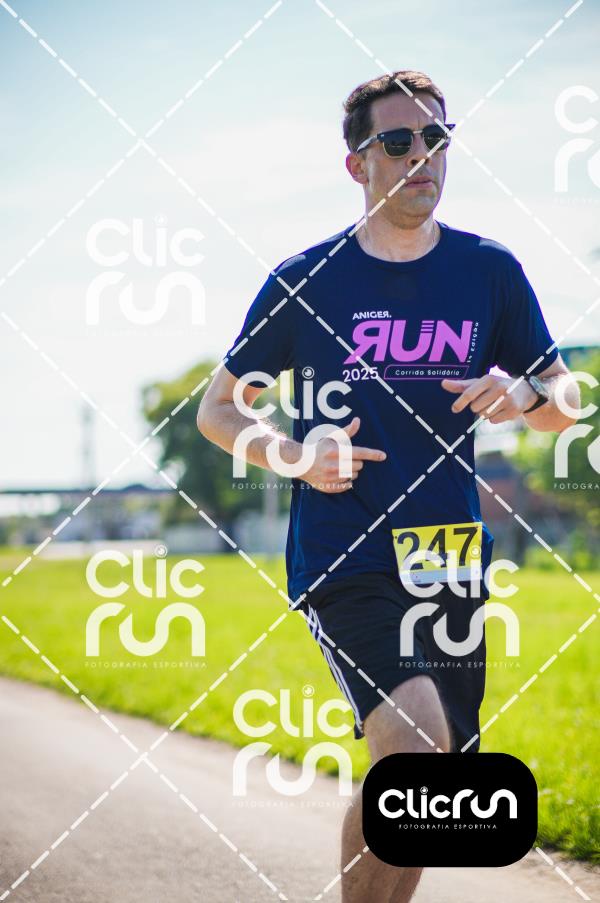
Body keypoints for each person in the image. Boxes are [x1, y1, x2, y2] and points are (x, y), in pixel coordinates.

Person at [197, 70, 578, 902]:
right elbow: (218, 409)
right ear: (357, 164)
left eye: (436, 138)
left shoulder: (489, 270)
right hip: (348, 552)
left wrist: (522, 395)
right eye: (398, 141)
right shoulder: (308, 279)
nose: (421, 156)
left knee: (430, 779)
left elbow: (566, 400)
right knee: (411, 748)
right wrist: (294, 455)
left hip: (447, 557)